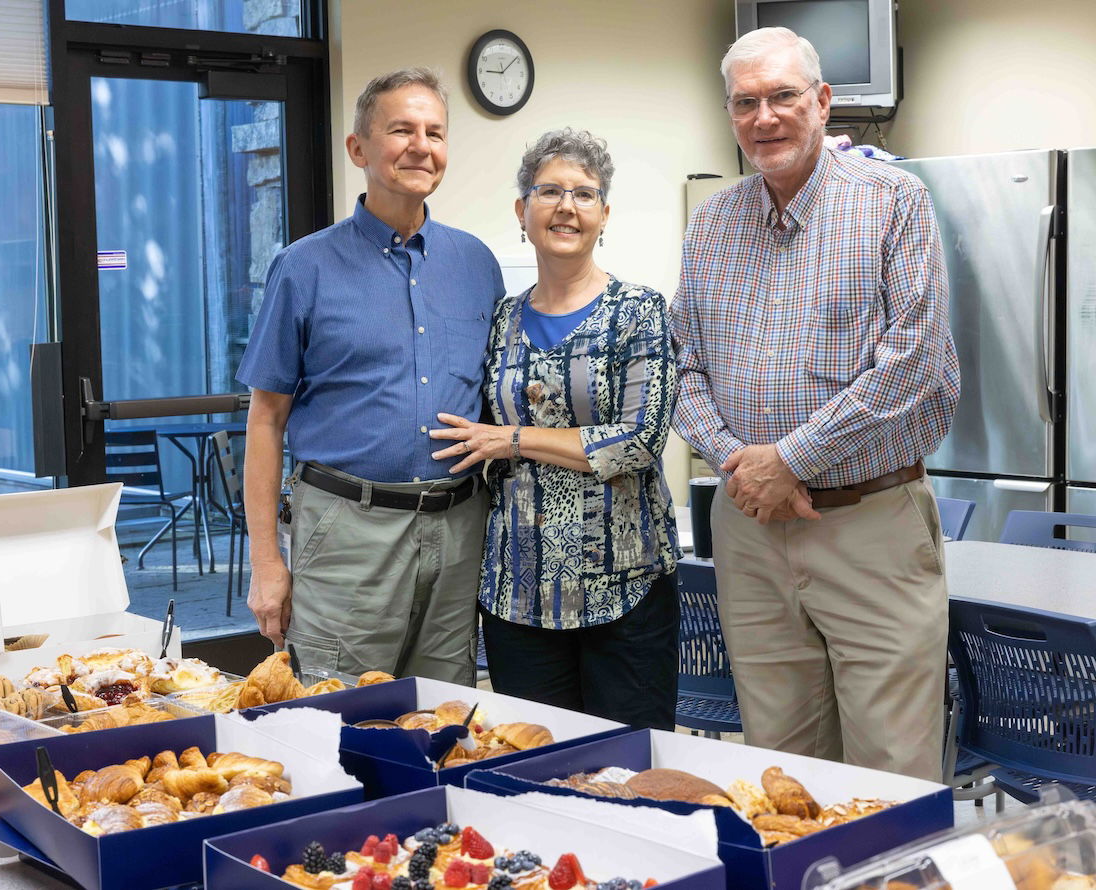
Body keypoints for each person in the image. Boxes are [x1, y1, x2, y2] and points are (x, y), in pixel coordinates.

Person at [670, 27, 960, 780]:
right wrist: (743, 465)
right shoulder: (712, 226)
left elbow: (912, 361)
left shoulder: (892, 201)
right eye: (746, 103)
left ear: (823, 102)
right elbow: (681, 366)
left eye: (783, 97)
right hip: (752, 531)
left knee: (892, 771)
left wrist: (790, 460)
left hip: (872, 526)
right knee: (782, 772)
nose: (764, 117)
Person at [236, 68, 503, 684]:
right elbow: (265, 418)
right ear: (358, 148)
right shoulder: (303, 268)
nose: (421, 146)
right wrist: (266, 561)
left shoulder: (476, 263)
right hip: (346, 532)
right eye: (401, 130)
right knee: (336, 719)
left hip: (459, 526)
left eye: (435, 132)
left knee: (443, 716)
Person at [430, 129, 679, 729]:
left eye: (584, 194)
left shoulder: (639, 311)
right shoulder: (501, 321)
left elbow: (638, 442)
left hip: (624, 586)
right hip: (519, 589)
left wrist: (513, 441)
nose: (566, 206)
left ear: (604, 214)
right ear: (522, 211)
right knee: (533, 766)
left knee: (630, 772)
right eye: (549, 191)